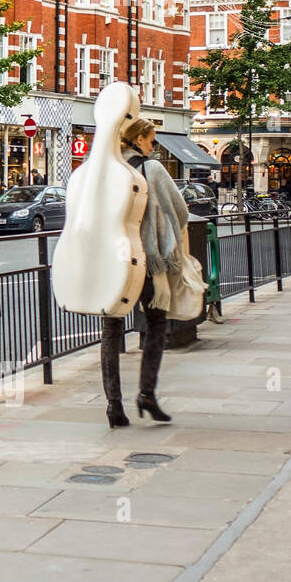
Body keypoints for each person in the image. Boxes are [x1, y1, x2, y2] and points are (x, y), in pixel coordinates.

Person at [101, 118, 186, 428]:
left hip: (112, 259)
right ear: (138, 138)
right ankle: (146, 394)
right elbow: (181, 210)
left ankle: (114, 405)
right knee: (155, 323)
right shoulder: (152, 169)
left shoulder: (108, 169)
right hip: (144, 259)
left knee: (111, 329)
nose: (154, 145)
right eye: (152, 139)